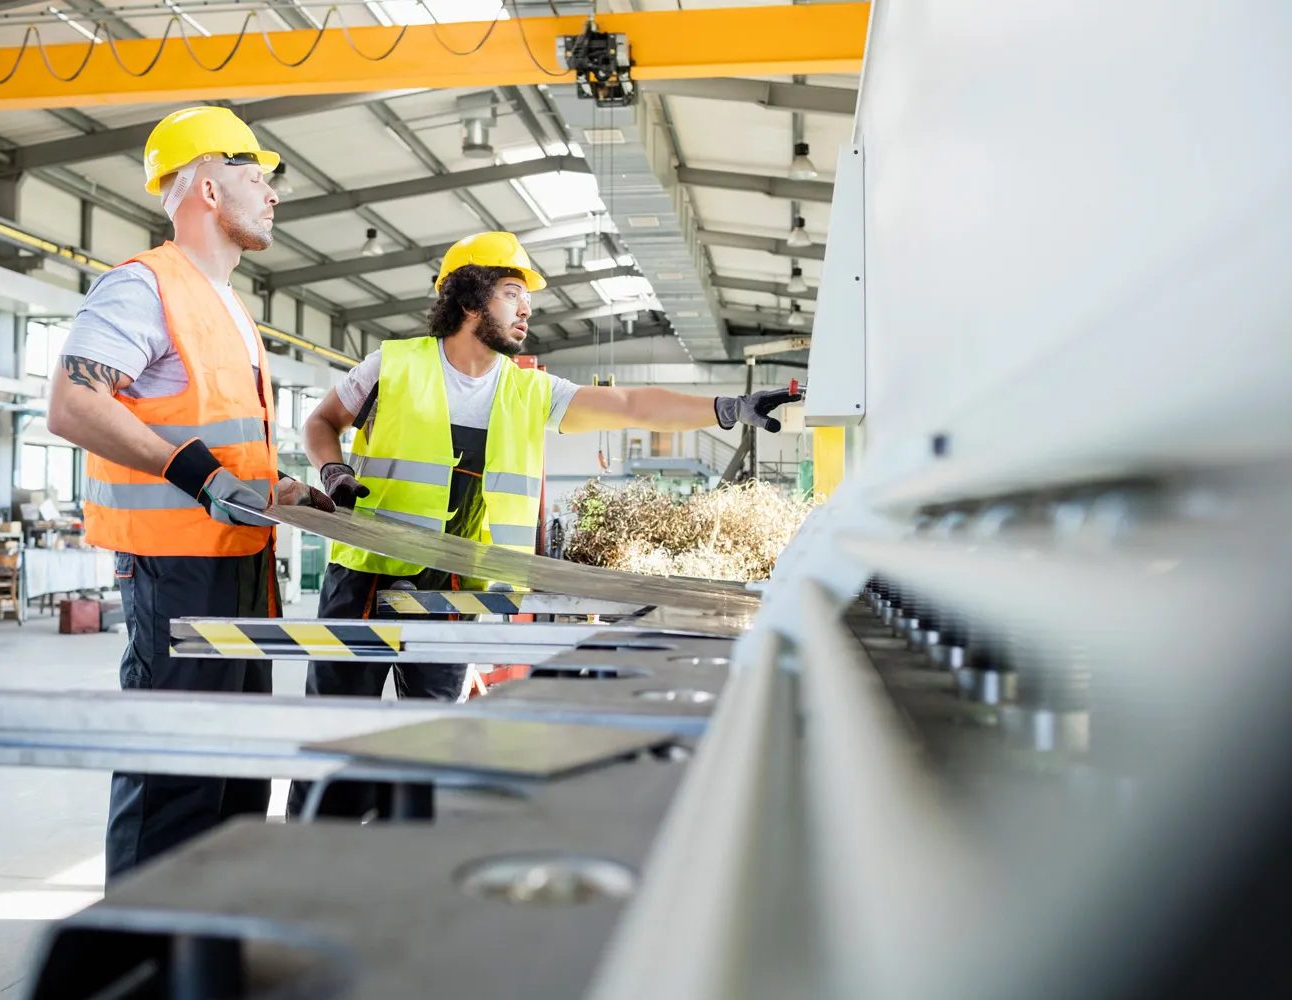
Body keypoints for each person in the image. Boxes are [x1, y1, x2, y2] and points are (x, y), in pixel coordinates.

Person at [287, 230, 799, 819]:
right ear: (470, 299)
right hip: (367, 577)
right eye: (512, 292)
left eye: (527, 296)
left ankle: (403, 859)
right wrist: (332, 470)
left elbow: (630, 406)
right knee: (336, 737)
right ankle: (315, 850)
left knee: (429, 741)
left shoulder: (531, 390)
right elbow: (322, 421)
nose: (527, 308)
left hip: (457, 590)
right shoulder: (393, 364)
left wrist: (726, 409)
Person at [46, 106, 332, 881]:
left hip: (244, 567)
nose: (272, 195)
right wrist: (197, 474)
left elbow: (226, 443)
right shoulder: (145, 286)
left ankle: (211, 946)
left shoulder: (233, 308)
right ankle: (139, 958)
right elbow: (73, 405)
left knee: (238, 774)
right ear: (207, 185)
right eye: (255, 177)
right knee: (174, 775)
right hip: (176, 574)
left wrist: (283, 489)